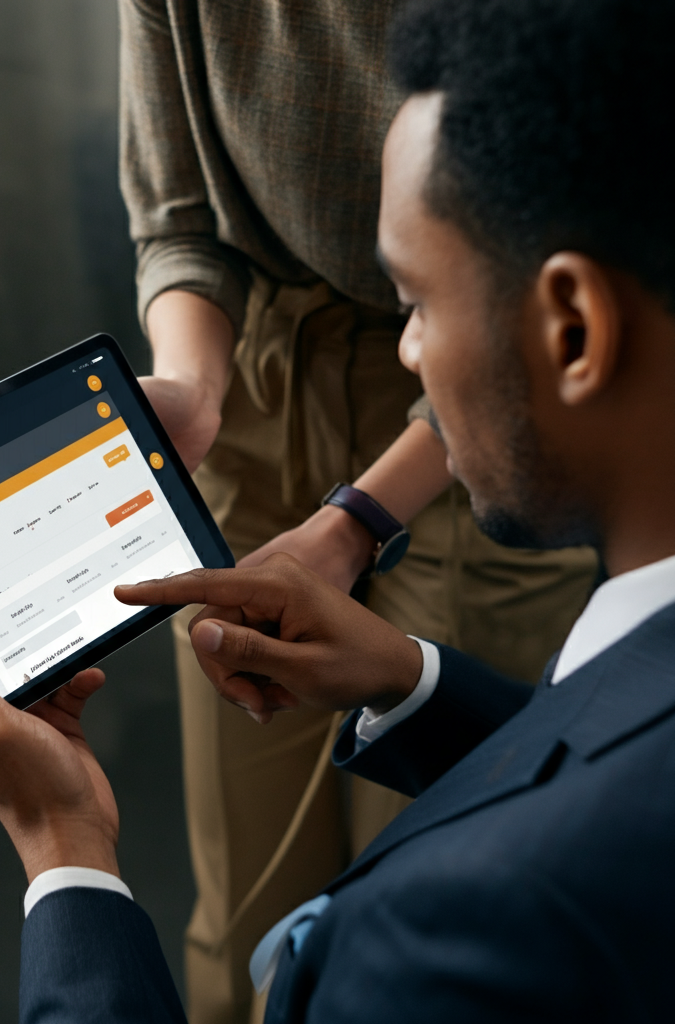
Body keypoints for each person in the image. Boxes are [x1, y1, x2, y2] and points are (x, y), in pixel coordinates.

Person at [0, 0, 675, 1018]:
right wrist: (410, 680)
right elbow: (585, 757)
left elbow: (514, 860)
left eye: (417, 304)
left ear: (573, 328)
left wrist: (65, 849)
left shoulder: (442, 926)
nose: (409, 348)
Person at [119, 3, 599, 1016]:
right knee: (245, 894)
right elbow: (179, 221)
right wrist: (193, 388)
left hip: (480, 392)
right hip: (257, 381)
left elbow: (538, 262)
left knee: (426, 876)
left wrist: (354, 520)